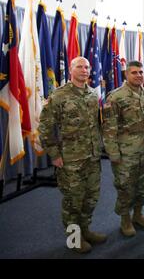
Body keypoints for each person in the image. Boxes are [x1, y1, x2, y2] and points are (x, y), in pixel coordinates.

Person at [38, 57, 106, 253]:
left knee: (91, 197)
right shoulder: (59, 96)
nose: (84, 70)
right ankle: (74, 238)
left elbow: (97, 124)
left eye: (87, 67)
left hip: (92, 157)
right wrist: (54, 154)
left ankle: (85, 230)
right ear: (71, 69)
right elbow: (45, 127)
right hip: (70, 159)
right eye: (79, 67)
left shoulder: (93, 94)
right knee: (73, 200)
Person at [102, 61, 144, 237]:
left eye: (141, 72)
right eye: (134, 72)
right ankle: (125, 218)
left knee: (143, 186)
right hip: (126, 153)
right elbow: (109, 128)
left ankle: (138, 214)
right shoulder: (115, 97)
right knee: (125, 187)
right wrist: (113, 153)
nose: (139, 75)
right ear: (126, 75)